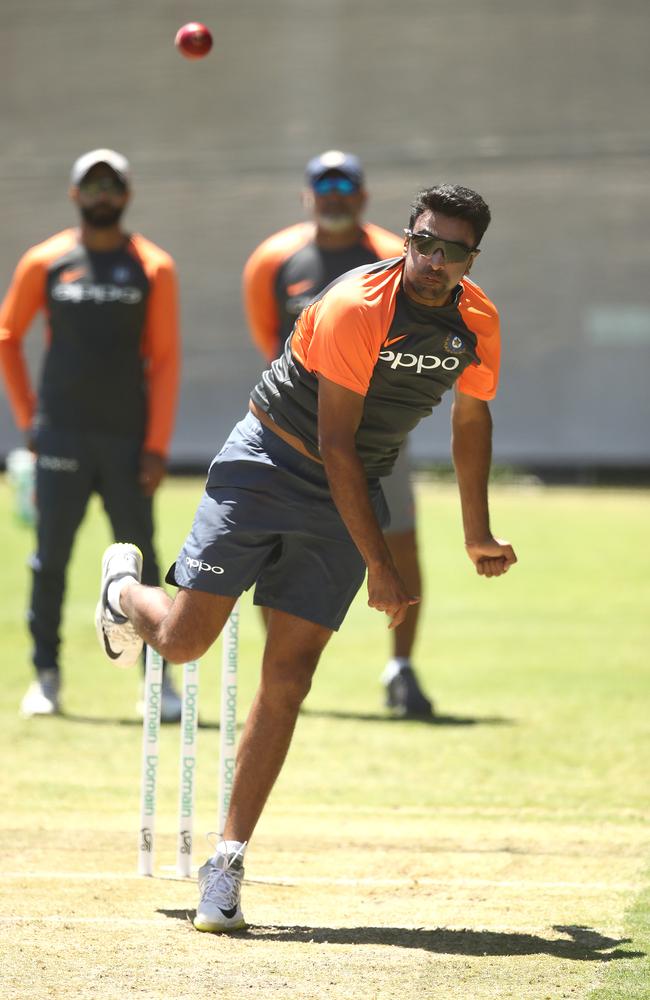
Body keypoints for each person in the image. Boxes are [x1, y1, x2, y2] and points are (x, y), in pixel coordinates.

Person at [95, 183, 517, 933]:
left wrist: (475, 530)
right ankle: (125, 592)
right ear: (407, 236)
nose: (432, 259)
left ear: (471, 258)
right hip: (268, 463)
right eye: (422, 240)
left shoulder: (475, 319)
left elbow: (471, 418)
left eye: (452, 250)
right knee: (187, 642)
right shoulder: (358, 304)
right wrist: (382, 566)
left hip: (347, 487)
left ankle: (225, 863)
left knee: (289, 674)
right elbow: (333, 445)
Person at [243, 149, 433, 717]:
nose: (334, 197)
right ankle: (283, 672)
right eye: (323, 188)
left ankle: (401, 668)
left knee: (398, 541)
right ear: (308, 196)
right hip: (297, 434)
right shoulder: (274, 259)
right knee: (275, 546)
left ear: (363, 196)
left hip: (379, 433)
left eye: (345, 187)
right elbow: (269, 338)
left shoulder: (391, 257)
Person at [0, 148, 182, 721]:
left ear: (126, 196)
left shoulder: (153, 266)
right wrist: (32, 419)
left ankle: (158, 684)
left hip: (128, 440)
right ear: (75, 194)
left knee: (143, 559)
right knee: (50, 557)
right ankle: (46, 677)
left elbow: (166, 359)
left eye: (112, 187)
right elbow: (8, 337)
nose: (102, 196)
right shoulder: (47, 261)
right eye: (92, 186)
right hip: (61, 438)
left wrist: (156, 444)